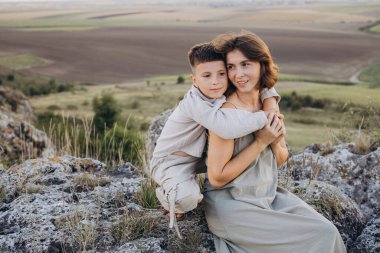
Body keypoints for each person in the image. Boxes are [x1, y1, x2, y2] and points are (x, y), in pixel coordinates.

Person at [204, 31, 347, 252]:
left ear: (262, 65)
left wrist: (273, 140)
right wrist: (260, 143)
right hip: (232, 204)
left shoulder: (267, 104)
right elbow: (216, 177)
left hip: (267, 195)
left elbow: (280, 157)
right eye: (231, 67)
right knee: (315, 238)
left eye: (245, 64)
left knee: (327, 232)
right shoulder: (226, 114)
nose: (238, 74)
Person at [150, 42, 280, 238]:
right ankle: (171, 196)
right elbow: (225, 127)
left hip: (198, 159)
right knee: (187, 199)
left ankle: (190, 185)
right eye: (207, 76)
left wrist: (269, 100)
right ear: (194, 80)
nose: (216, 82)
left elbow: (262, 87)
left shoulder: (218, 94)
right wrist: (267, 118)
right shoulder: (194, 103)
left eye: (221, 74)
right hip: (171, 162)